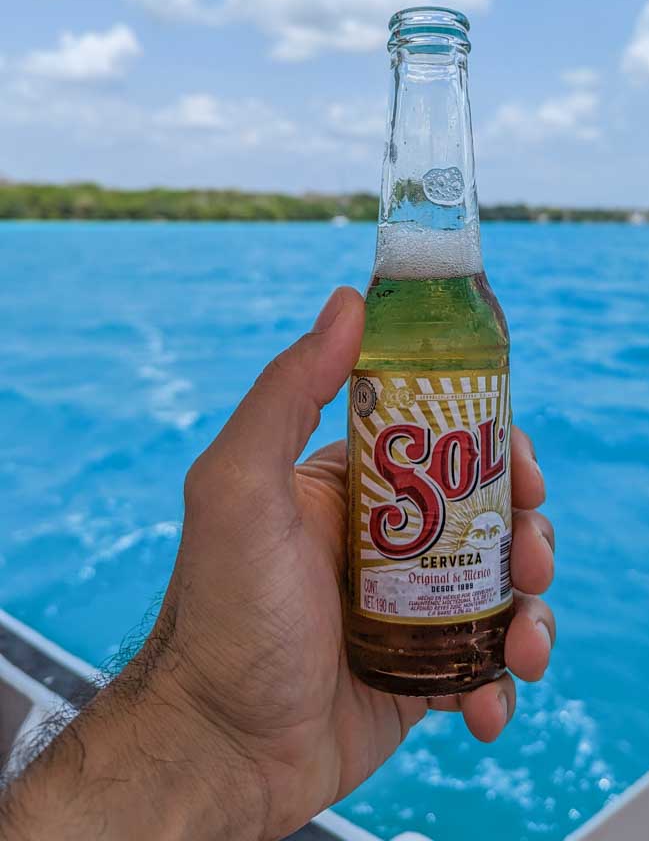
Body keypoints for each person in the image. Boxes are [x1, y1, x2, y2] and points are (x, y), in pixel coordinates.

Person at [0, 288, 556, 840]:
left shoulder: (458, 299)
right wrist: (205, 715)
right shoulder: (416, 300)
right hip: (335, 656)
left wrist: (209, 730)